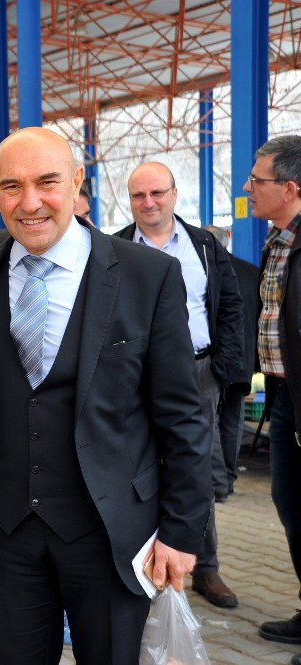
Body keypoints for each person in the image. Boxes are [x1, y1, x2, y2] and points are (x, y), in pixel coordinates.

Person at [0, 127, 210, 665]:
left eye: (47, 182)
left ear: (76, 183)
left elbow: (183, 414)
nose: (30, 203)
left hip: (112, 527)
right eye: (11, 186)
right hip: (8, 527)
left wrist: (183, 532)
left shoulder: (147, 274)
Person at [115, 161, 244, 609]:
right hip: (135, 379)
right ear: (128, 201)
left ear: (174, 194)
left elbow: (230, 306)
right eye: (139, 196)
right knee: (137, 469)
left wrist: (223, 367)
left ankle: (205, 568)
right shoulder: (112, 249)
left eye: (157, 193)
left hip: (197, 373)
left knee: (195, 470)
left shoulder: (204, 245)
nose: (148, 203)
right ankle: (138, 565)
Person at [243, 136, 301, 658]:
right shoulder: (276, 241)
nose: (248, 188)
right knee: (291, 504)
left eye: (257, 181)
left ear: (290, 186)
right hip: (282, 395)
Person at [205, 224, 260, 499]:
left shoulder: (203, 272)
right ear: (226, 241)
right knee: (232, 420)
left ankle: (218, 483)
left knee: (209, 420)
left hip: (212, 360)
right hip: (243, 361)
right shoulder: (252, 273)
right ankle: (228, 477)